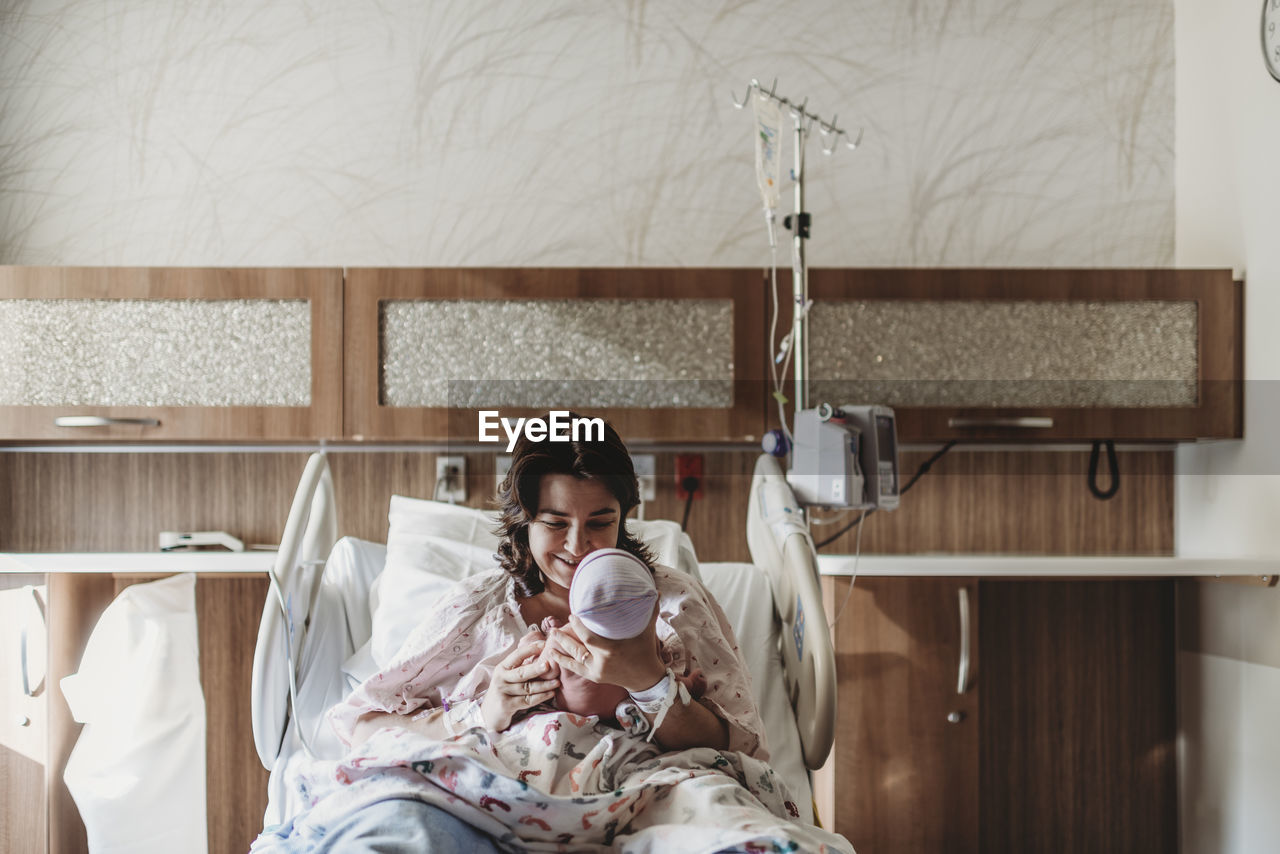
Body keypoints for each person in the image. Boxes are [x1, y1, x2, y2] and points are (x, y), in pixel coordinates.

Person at [253, 413, 852, 853]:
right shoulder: (480, 610)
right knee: (396, 829)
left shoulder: (672, 604)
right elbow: (364, 725)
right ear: (524, 521)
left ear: (625, 517)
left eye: (600, 522)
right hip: (490, 792)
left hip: (653, 790)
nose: (578, 545)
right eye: (555, 522)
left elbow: (742, 747)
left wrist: (649, 682)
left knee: (734, 834)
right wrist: (487, 708)